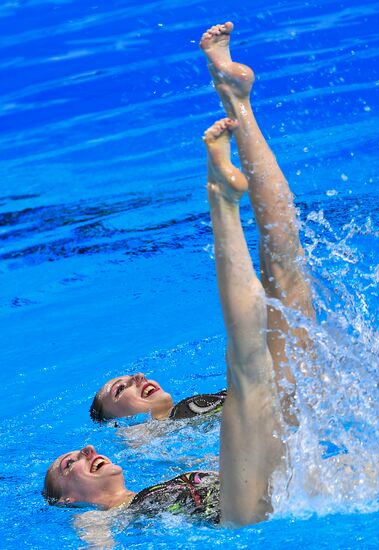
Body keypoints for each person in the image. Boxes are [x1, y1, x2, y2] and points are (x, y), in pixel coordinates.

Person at [44, 21, 315, 527]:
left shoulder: (164, 466)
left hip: (278, 452)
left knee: (287, 268)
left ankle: (238, 101)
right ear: (66, 499)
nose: (83, 450)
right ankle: (220, 200)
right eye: (69, 465)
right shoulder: (96, 517)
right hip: (245, 499)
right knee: (247, 362)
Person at [90, 372, 227, 422]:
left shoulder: (191, 406)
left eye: (131, 376)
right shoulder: (140, 437)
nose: (140, 375)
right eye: (120, 389)